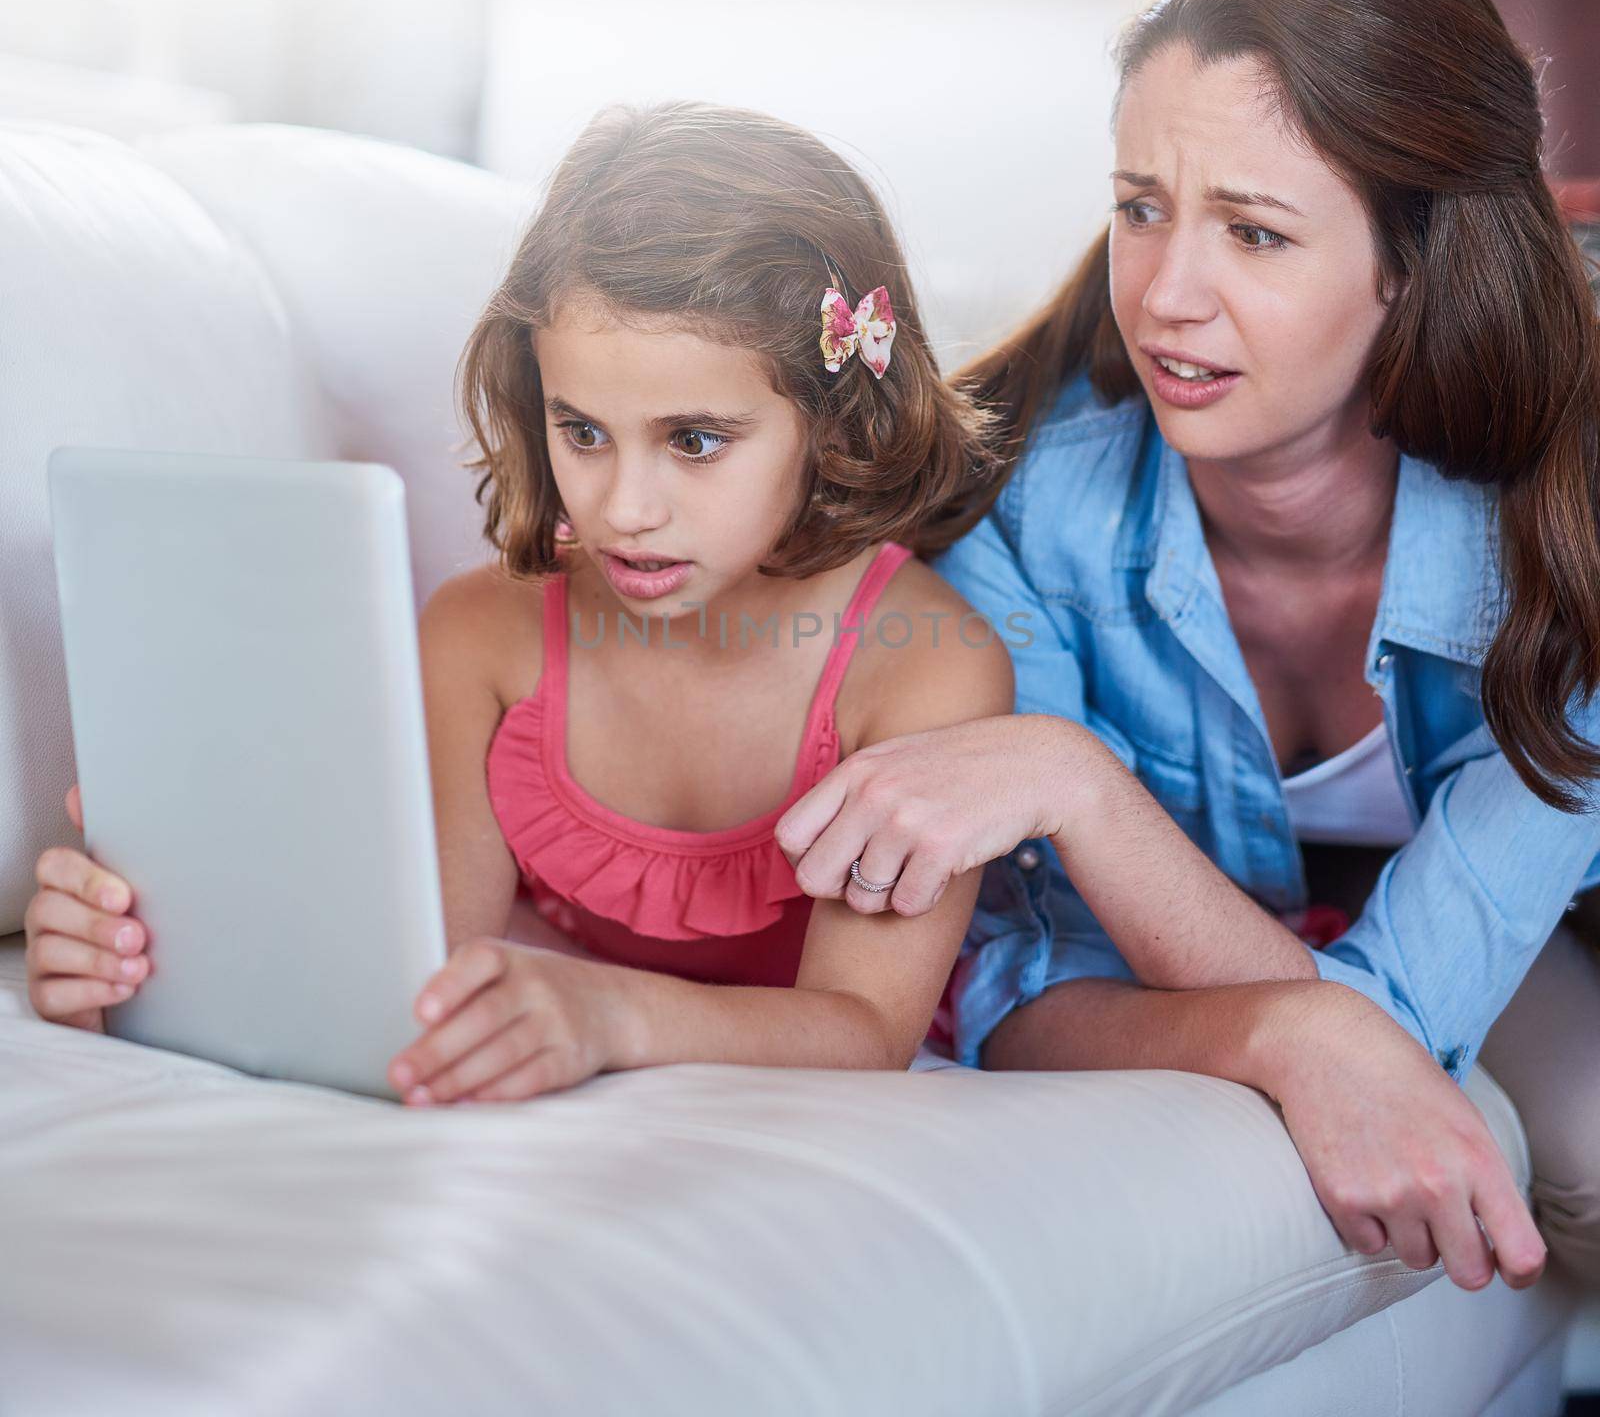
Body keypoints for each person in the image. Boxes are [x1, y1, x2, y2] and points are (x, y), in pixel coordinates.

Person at [776, 0, 1600, 1293]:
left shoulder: (1566, 535)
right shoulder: (1026, 510)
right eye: (1140, 208)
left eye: (1257, 235)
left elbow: (1405, 1021)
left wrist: (1073, 782)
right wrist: (1288, 1035)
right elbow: (999, 981)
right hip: (1251, 923)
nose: (1164, 297)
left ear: (1412, 267)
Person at [23, 100, 1014, 1103]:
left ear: (836, 422)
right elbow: (414, 984)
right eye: (581, 431)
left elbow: (865, 1030)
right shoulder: (482, 637)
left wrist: (612, 1013)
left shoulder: (927, 669)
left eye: (695, 440)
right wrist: (132, 972)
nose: (622, 508)